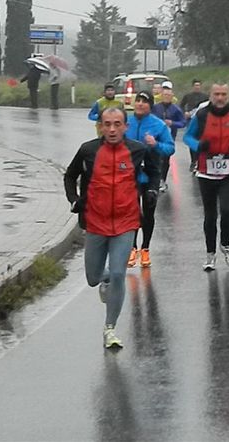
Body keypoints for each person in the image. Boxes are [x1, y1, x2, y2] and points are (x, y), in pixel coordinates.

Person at [63, 107, 160, 349]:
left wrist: (151, 190)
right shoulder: (89, 150)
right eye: (107, 124)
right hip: (96, 222)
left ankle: (110, 329)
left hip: (126, 222)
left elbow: (154, 169)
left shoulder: (137, 149)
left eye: (117, 124)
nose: (112, 129)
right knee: (93, 278)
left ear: (125, 127)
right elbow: (70, 175)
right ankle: (104, 279)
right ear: (101, 127)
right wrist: (74, 199)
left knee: (119, 273)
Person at [183, 82, 229, 271]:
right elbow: (187, 137)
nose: (220, 98)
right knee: (210, 215)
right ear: (211, 94)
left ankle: (226, 244)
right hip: (206, 172)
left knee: (227, 211)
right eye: (216, 94)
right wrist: (198, 146)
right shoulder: (201, 115)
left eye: (224, 94)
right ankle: (210, 254)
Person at [125, 90, 174, 268]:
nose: (140, 104)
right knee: (132, 211)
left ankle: (145, 248)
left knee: (149, 208)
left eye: (144, 102)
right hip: (129, 173)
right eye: (138, 100)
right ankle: (132, 248)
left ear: (150, 106)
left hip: (152, 172)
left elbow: (170, 148)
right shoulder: (125, 123)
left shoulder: (158, 125)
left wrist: (156, 144)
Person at [152, 86, 185, 192]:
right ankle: (155, 179)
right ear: (161, 96)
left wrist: (172, 123)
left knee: (165, 158)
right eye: (165, 95)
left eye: (169, 95)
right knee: (155, 157)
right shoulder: (155, 107)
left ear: (172, 97)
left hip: (169, 137)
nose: (167, 97)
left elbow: (183, 122)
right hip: (156, 136)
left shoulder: (176, 109)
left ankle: (162, 179)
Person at [180, 79, 208, 173]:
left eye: (199, 85)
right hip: (191, 120)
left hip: (202, 121)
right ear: (193, 86)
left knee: (202, 141)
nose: (197, 87)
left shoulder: (205, 96)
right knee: (192, 140)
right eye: (196, 85)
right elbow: (181, 105)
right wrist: (185, 113)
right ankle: (193, 161)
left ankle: (200, 160)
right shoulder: (188, 96)